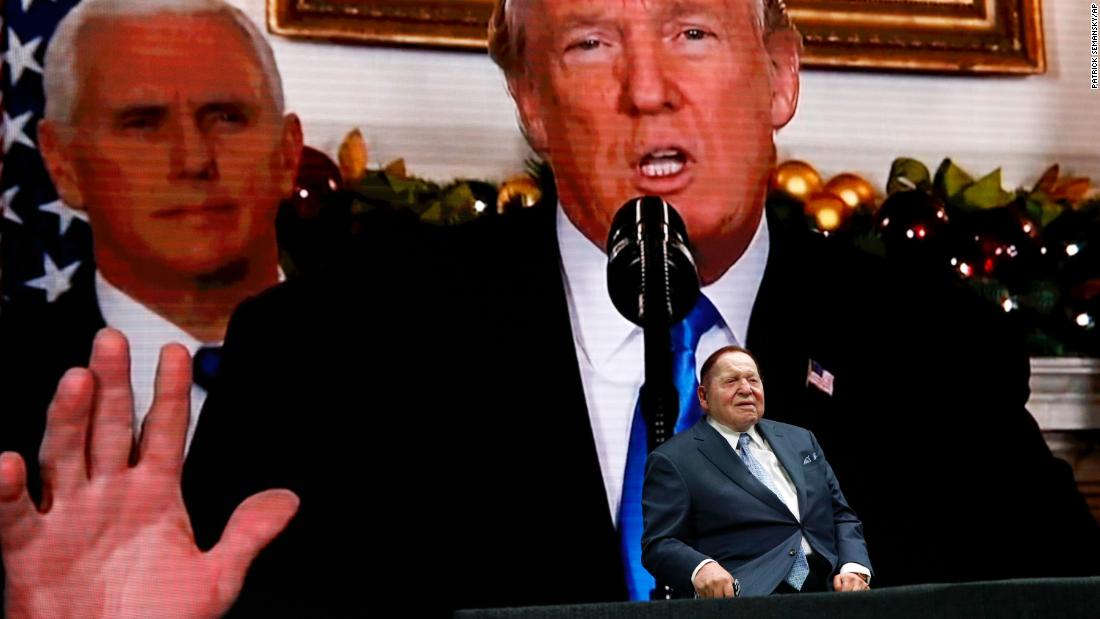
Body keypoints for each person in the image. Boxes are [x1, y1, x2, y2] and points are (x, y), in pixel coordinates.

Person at [2, 0, 1099, 616]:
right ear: (528, 100)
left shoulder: (929, 343)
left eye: (692, 32)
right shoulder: (331, 351)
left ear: (777, 77)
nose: (644, 88)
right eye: (587, 43)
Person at [0, 0, 302, 485]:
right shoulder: (10, 379)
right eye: (142, 123)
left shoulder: (411, 362)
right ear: (64, 166)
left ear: (288, 153)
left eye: (226, 117)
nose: (193, 159)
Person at [642, 346, 871, 597]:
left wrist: (854, 568)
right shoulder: (673, 459)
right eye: (731, 381)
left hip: (828, 591)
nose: (746, 389)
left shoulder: (802, 440)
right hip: (748, 598)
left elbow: (841, 515)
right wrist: (701, 568)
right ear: (704, 397)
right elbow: (660, 544)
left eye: (753, 380)